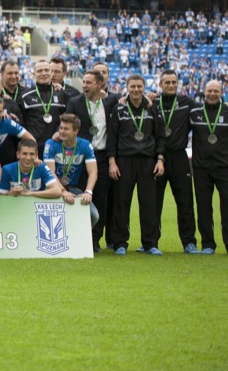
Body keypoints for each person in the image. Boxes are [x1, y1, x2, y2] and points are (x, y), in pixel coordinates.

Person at [107, 75, 166, 256]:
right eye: (132, 86)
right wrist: (112, 162)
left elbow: (160, 137)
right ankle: (120, 243)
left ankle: (150, 243)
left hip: (148, 161)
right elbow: (112, 138)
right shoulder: (119, 109)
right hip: (124, 160)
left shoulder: (153, 109)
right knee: (121, 203)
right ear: (127, 87)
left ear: (144, 87)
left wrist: (160, 159)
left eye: (139, 86)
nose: (136, 90)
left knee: (149, 204)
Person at [65, 68, 119, 251]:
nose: (84, 85)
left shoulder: (111, 101)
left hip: (102, 156)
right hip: (80, 157)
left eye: (89, 82)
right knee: (80, 195)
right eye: (84, 82)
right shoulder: (75, 102)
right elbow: (67, 123)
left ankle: (95, 240)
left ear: (99, 84)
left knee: (101, 199)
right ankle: (77, 236)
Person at [153, 70, 199, 254]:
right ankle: (151, 242)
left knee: (185, 201)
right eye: (167, 83)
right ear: (160, 84)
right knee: (154, 203)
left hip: (179, 157)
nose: (171, 85)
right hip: (157, 158)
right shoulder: (152, 103)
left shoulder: (187, 103)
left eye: (174, 82)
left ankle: (189, 242)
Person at [43, 113, 100, 233]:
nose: (62, 132)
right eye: (61, 128)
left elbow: (93, 171)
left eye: (66, 129)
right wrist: (62, 191)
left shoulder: (85, 145)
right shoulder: (51, 144)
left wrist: (88, 192)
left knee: (94, 216)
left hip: (73, 189)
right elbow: (50, 172)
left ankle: (76, 240)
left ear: (76, 131)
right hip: (51, 188)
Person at [190, 80, 228, 255]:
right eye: (209, 91)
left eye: (216, 91)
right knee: (203, 207)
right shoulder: (195, 113)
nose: (212, 94)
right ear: (203, 92)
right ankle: (208, 244)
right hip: (201, 168)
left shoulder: (227, 112)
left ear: (221, 92)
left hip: (224, 168)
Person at [18, 60, 68, 157]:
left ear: (51, 72)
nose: (44, 73)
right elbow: (21, 124)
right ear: (34, 74)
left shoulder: (62, 95)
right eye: (40, 71)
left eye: (46, 70)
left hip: (58, 147)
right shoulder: (25, 96)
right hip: (34, 149)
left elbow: (67, 119)